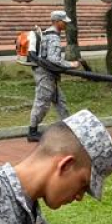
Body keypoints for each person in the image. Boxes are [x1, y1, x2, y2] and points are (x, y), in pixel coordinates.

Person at [27, 10, 79, 143]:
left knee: (60, 102)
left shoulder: (48, 33)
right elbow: (54, 59)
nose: (66, 24)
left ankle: (69, 128)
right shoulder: (53, 37)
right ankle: (32, 132)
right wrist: (71, 64)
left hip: (49, 75)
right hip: (46, 75)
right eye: (63, 21)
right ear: (56, 21)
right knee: (42, 103)